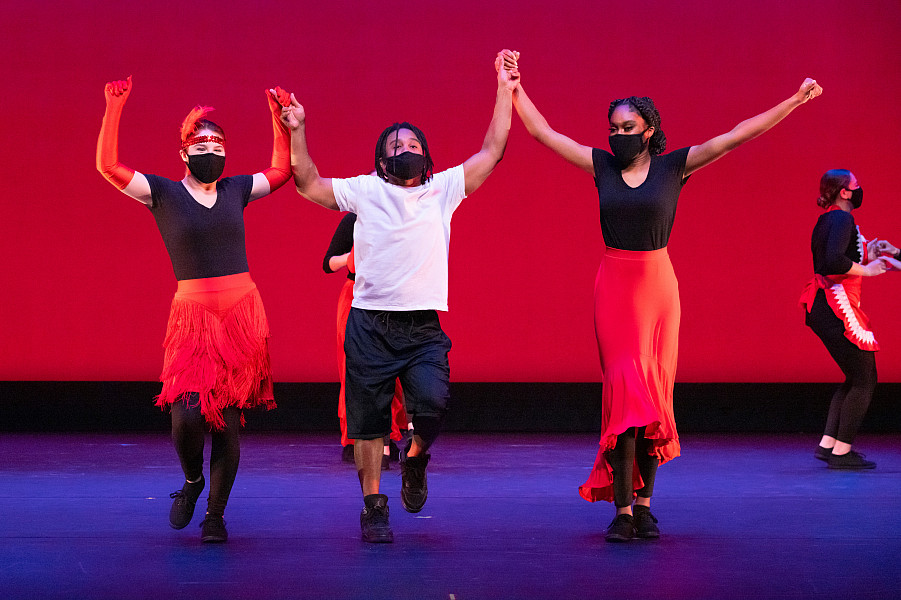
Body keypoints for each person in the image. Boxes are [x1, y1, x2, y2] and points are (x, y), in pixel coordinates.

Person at [500, 50, 822, 542]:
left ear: (649, 130)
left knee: (653, 396)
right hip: (615, 285)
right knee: (625, 394)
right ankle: (622, 511)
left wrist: (795, 101)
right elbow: (544, 133)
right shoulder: (601, 165)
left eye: (628, 127)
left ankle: (645, 507)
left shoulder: (674, 167)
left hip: (658, 288)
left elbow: (737, 135)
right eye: (613, 128)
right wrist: (515, 87)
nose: (619, 135)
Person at [280, 52, 519, 543]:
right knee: (368, 424)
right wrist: (297, 130)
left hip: (422, 326)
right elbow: (308, 183)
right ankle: (373, 507)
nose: (404, 149)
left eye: (413, 144)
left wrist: (504, 87)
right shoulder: (365, 190)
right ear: (380, 159)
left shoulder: (443, 189)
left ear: (426, 155)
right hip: (369, 324)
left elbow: (493, 150)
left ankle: (415, 458)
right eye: (395, 145)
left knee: (432, 405)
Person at [96, 77, 293, 542]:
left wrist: (277, 118)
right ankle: (192, 480)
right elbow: (108, 166)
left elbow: (281, 171)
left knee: (226, 423)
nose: (211, 152)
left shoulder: (236, 189)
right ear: (184, 153)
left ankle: (215, 516)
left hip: (241, 314)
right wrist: (113, 107)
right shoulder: (162, 193)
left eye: (218, 146)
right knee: (186, 414)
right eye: (202, 145)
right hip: (194, 318)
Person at [800, 169, 897, 469]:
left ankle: (829, 444)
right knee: (866, 379)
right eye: (856, 186)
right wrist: (868, 269)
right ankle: (841, 453)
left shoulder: (830, 219)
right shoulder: (842, 219)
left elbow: (840, 255)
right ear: (844, 192)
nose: (859, 190)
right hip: (834, 305)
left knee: (855, 377)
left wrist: (875, 253)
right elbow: (832, 261)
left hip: (825, 306)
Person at [323, 212, 410, 468]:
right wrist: (352, 258)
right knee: (355, 371)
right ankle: (355, 438)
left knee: (392, 370)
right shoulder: (354, 219)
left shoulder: (402, 218)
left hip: (393, 299)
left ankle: (387, 435)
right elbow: (328, 263)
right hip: (356, 297)